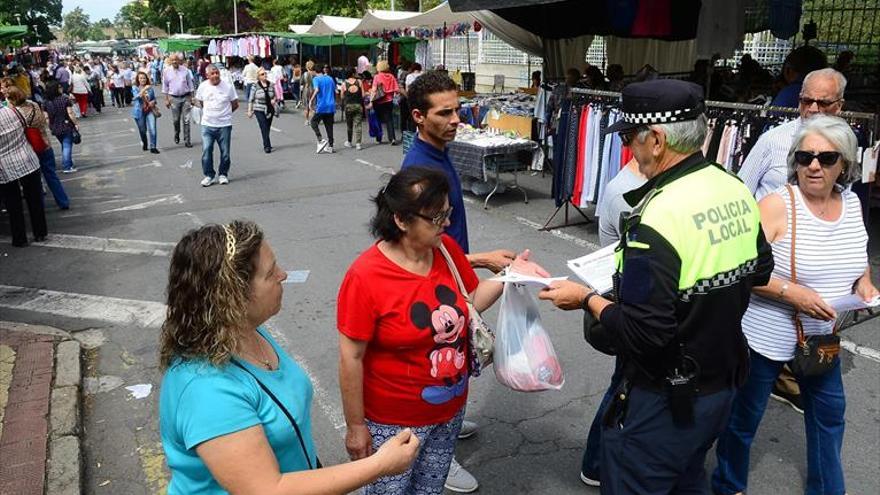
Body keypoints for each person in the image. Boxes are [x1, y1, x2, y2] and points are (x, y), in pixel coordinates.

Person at [539, 79, 774, 494]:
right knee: (687, 479)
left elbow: (647, 333)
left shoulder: (659, 214)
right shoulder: (732, 187)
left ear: (658, 139)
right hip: (722, 383)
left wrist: (588, 300)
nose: (629, 149)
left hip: (666, 396)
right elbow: (760, 270)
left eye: (630, 137)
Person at [159, 220, 421, 494]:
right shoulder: (206, 390)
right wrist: (381, 465)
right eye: (271, 273)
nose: (283, 275)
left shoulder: (248, 331)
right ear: (234, 296)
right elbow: (268, 489)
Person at [338, 167, 545, 495]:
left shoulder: (445, 251)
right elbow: (351, 357)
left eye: (447, 213)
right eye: (436, 217)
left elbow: (470, 301)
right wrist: (356, 426)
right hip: (393, 424)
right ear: (401, 220)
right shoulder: (365, 277)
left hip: (448, 413)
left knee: (428, 490)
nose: (446, 223)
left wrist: (511, 275)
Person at [712, 115, 877, 495]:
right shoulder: (776, 205)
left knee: (830, 419)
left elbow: (857, 251)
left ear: (845, 163)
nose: (814, 165)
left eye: (826, 157)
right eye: (805, 157)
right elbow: (736, 268)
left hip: (820, 339)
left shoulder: (851, 204)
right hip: (763, 337)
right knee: (743, 420)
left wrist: (864, 281)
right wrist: (794, 294)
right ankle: (727, 485)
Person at [402, 72, 533, 492]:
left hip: (452, 270)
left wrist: (473, 261)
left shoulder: (440, 152)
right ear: (419, 117)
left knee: (455, 360)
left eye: (458, 108)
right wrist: (482, 260)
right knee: (436, 368)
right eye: (445, 112)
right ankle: (436, 449)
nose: (457, 118)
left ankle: (448, 422)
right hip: (434, 282)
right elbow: (417, 243)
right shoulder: (420, 171)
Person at [740, 68, 847, 201]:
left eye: (823, 103)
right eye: (807, 101)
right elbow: (741, 193)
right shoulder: (772, 140)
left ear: (839, 106)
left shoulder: (845, 145)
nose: (813, 109)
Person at [6, 86, 69, 210]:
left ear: (11, 99)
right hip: (44, 144)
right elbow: (43, 122)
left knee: (33, 180)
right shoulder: (34, 105)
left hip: (28, 148)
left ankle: (39, 206)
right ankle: (63, 201)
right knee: (51, 175)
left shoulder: (14, 113)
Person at [0, 105, 48, 247]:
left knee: (13, 204)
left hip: (4, 167)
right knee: (34, 199)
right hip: (27, 159)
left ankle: (19, 238)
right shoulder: (14, 111)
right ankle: (40, 232)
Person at [194, 65, 238, 187]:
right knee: (207, 150)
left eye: (217, 73)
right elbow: (200, 102)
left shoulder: (228, 87)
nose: (215, 76)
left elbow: (235, 104)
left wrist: (225, 115)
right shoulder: (203, 86)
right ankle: (209, 175)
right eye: (212, 74)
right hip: (207, 124)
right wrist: (210, 113)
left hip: (224, 125)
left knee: (225, 153)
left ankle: (223, 174)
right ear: (207, 75)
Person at [42, 80, 78, 173]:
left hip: (55, 126)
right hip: (66, 125)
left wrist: (50, 126)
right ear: (55, 89)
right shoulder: (64, 99)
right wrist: (76, 123)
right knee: (67, 146)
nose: (61, 88)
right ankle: (67, 166)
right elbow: (70, 113)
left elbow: (46, 117)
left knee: (64, 144)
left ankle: (67, 161)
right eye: (59, 87)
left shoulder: (46, 102)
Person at [163, 54, 195, 147]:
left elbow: (190, 84)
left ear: (179, 61)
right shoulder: (166, 71)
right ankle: (177, 133)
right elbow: (165, 86)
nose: (174, 62)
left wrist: (192, 97)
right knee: (176, 120)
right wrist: (166, 99)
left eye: (176, 60)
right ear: (170, 61)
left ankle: (187, 140)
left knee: (186, 119)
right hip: (174, 98)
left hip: (186, 97)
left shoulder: (185, 70)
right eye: (172, 60)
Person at [369, 60, 400, 145]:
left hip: (378, 101)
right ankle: (392, 138)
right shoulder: (391, 76)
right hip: (389, 101)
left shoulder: (377, 77)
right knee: (389, 120)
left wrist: (371, 101)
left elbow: (374, 90)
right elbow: (397, 89)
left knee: (378, 119)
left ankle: (379, 138)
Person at [309, 63, 337, 154]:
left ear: (314, 71)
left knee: (313, 122)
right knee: (329, 126)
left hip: (322, 105)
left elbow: (316, 89)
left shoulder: (316, 79)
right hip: (331, 105)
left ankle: (320, 140)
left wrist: (311, 100)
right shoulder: (330, 78)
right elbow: (335, 90)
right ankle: (331, 146)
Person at [247, 68, 276, 154]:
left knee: (267, 126)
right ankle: (267, 146)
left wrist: (274, 100)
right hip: (259, 108)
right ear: (258, 76)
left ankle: (267, 141)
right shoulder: (255, 86)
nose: (264, 76)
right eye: (262, 74)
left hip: (269, 108)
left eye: (265, 74)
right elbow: (251, 99)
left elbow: (275, 95)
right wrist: (249, 110)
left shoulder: (271, 84)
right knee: (263, 126)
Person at [132, 72, 160, 154]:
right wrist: (144, 89)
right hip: (139, 112)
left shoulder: (150, 88)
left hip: (150, 110)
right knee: (143, 130)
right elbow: (136, 97)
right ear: (138, 79)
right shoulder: (135, 88)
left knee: (152, 129)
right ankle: (145, 142)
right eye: (140, 78)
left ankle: (153, 147)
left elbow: (154, 99)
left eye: (144, 78)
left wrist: (153, 102)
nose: (142, 80)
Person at [340, 68, 364, 151]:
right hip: (358, 105)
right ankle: (358, 144)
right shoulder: (359, 82)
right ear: (353, 74)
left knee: (349, 125)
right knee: (358, 125)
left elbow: (342, 96)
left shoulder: (344, 84)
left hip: (348, 106)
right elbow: (363, 95)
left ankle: (349, 142)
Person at [301, 60, 315, 127]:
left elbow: (301, 82)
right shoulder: (315, 74)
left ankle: (307, 120)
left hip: (306, 90)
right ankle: (314, 120)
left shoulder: (305, 74)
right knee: (313, 105)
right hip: (313, 90)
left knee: (307, 107)